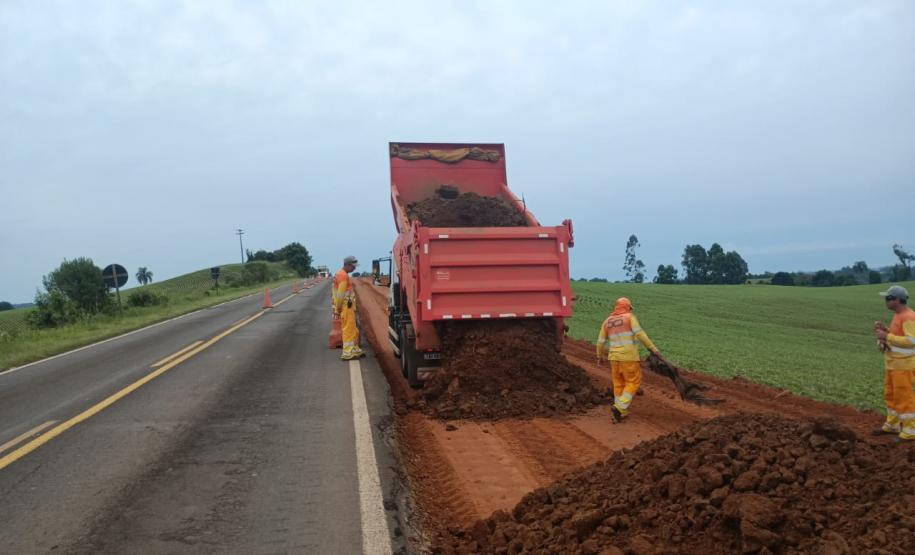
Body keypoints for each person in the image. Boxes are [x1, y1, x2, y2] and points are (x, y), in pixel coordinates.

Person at [596, 297, 661, 422]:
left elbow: (600, 342)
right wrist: (653, 349)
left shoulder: (607, 321)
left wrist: (599, 356)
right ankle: (620, 407)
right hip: (628, 357)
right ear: (628, 307)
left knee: (618, 383)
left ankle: (621, 411)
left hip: (614, 358)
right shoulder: (629, 317)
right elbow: (640, 334)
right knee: (633, 382)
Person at [873, 285, 915, 441]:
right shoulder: (899, 315)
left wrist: (887, 336)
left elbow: (911, 341)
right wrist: (886, 331)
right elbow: (899, 336)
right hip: (894, 364)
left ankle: (910, 431)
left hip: (904, 366)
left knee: (904, 397)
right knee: (891, 396)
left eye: (888, 298)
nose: (885, 301)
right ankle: (893, 425)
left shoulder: (908, 316)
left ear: (897, 300)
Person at [333, 256, 365, 361]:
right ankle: (347, 352)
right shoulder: (342, 276)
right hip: (346, 307)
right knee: (348, 329)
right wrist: (337, 309)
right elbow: (340, 295)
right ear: (347, 265)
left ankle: (354, 349)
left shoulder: (342, 274)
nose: (354, 269)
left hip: (349, 307)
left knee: (353, 329)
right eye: (353, 266)